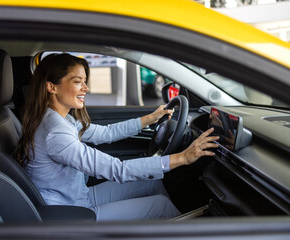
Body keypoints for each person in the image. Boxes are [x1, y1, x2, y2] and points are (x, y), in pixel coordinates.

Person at [14, 53, 219, 221]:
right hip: (74, 214)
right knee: (161, 205)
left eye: (85, 82)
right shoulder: (56, 132)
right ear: (51, 87)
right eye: (78, 82)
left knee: (153, 183)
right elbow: (117, 169)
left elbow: (107, 133)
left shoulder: (59, 119)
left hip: (78, 196)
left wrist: (151, 118)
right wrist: (183, 157)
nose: (86, 88)